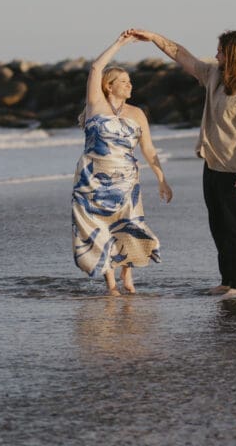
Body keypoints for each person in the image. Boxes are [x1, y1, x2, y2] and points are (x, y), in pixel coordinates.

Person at [131, 28, 236, 298]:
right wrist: (153, 38)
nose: (216, 55)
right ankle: (227, 280)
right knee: (218, 226)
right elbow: (182, 56)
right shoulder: (214, 75)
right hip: (212, 165)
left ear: (233, 55)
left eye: (220, 51)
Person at [72, 30, 173, 296]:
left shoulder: (137, 114)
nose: (130, 85)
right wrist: (120, 43)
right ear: (109, 85)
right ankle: (111, 284)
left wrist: (162, 178)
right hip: (92, 180)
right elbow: (96, 67)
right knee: (99, 229)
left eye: (130, 81)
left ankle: (128, 278)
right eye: (124, 81)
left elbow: (149, 149)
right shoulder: (96, 105)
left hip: (127, 180)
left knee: (129, 227)